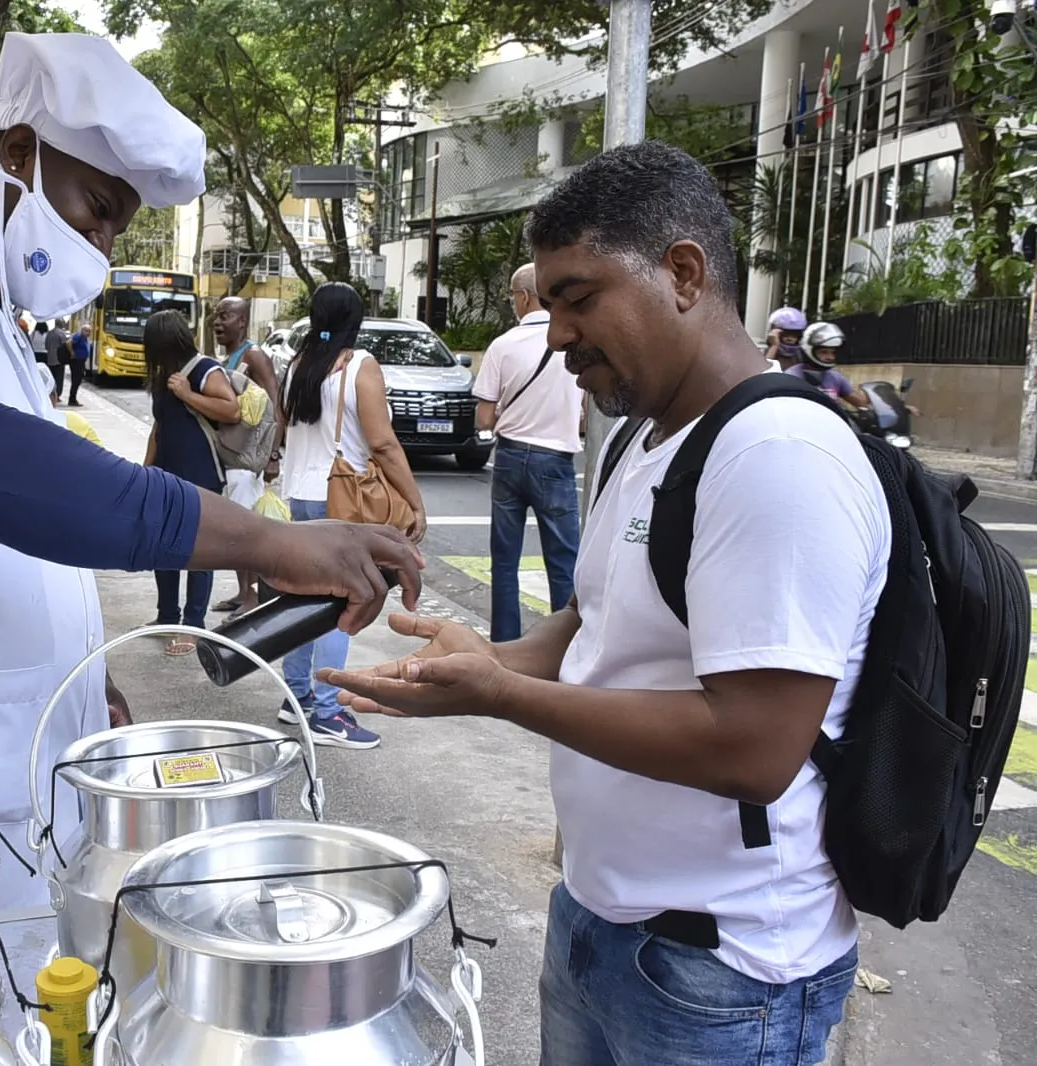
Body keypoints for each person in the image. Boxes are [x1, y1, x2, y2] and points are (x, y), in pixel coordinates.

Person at [0, 31, 421, 1023]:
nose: (103, 248)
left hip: (29, 794)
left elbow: (17, 555)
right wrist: (273, 542)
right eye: (98, 209)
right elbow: (11, 480)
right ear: (17, 153)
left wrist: (82, 677)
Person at [319, 142, 884, 1064]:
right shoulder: (641, 437)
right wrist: (486, 659)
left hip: (722, 972)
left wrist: (502, 697)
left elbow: (755, 748)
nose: (556, 336)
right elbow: (597, 624)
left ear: (684, 274)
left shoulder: (777, 454)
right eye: (549, 306)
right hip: (599, 921)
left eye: (578, 298)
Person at [279, 282, 427, 750]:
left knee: (302, 598)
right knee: (343, 604)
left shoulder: (298, 365)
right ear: (356, 322)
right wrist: (415, 501)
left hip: (300, 496)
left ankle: (295, 696)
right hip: (341, 499)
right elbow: (382, 443)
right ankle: (327, 712)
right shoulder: (360, 365)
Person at [471, 263, 583, 643]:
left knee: (505, 562)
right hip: (556, 462)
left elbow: (484, 418)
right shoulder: (573, 341)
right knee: (564, 562)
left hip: (510, 457)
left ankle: (505, 645)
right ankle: (564, 647)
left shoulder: (503, 345)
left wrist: (504, 415)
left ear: (523, 297)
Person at [142, 310, 239, 654]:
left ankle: (194, 626)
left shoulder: (203, 370)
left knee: (198, 553)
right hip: (165, 475)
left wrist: (187, 394)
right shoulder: (163, 375)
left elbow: (231, 409)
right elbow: (160, 426)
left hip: (201, 476)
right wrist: (145, 469)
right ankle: (167, 616)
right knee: (162, 548)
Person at [209, 296, 281, 617]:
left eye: (225, 316)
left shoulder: (254, 356)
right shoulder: (229, 359)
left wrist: (273, 455)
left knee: (245, 530)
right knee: (234, 529)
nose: (217, 322)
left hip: (248, 461)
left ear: (242, 321)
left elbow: (275, 405)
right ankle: (242, 592)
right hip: (232, 459)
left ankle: (253, 596)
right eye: (216, 316)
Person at [786, 321, 872, 415]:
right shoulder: (792, 377)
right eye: (824, 352)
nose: (830, 357)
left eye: (833, 352)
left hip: (832, 422)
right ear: (808, 350)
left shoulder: (835, 377)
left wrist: (872, 398)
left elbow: (860, 403)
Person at [43, 318, 73, 401]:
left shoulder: (49, 333)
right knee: (59, 378)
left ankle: (50, 393)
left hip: (50, 358)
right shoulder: (61, 333)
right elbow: (65, 345)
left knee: (51, 377)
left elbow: (46, 345)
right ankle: (57, 395)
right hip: (59, 359)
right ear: (61, 324)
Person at [67, 323, 93, 406]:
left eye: (89, 331)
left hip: (81, 361)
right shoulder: (78, 336)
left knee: (78, 380)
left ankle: (73, 398)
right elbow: (68, 342)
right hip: (76, 361)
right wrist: (72, 353)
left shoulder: (85, 338)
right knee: (76, 380)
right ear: (82, 330)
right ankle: (72, 399)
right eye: (86, 331)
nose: (88, 333)